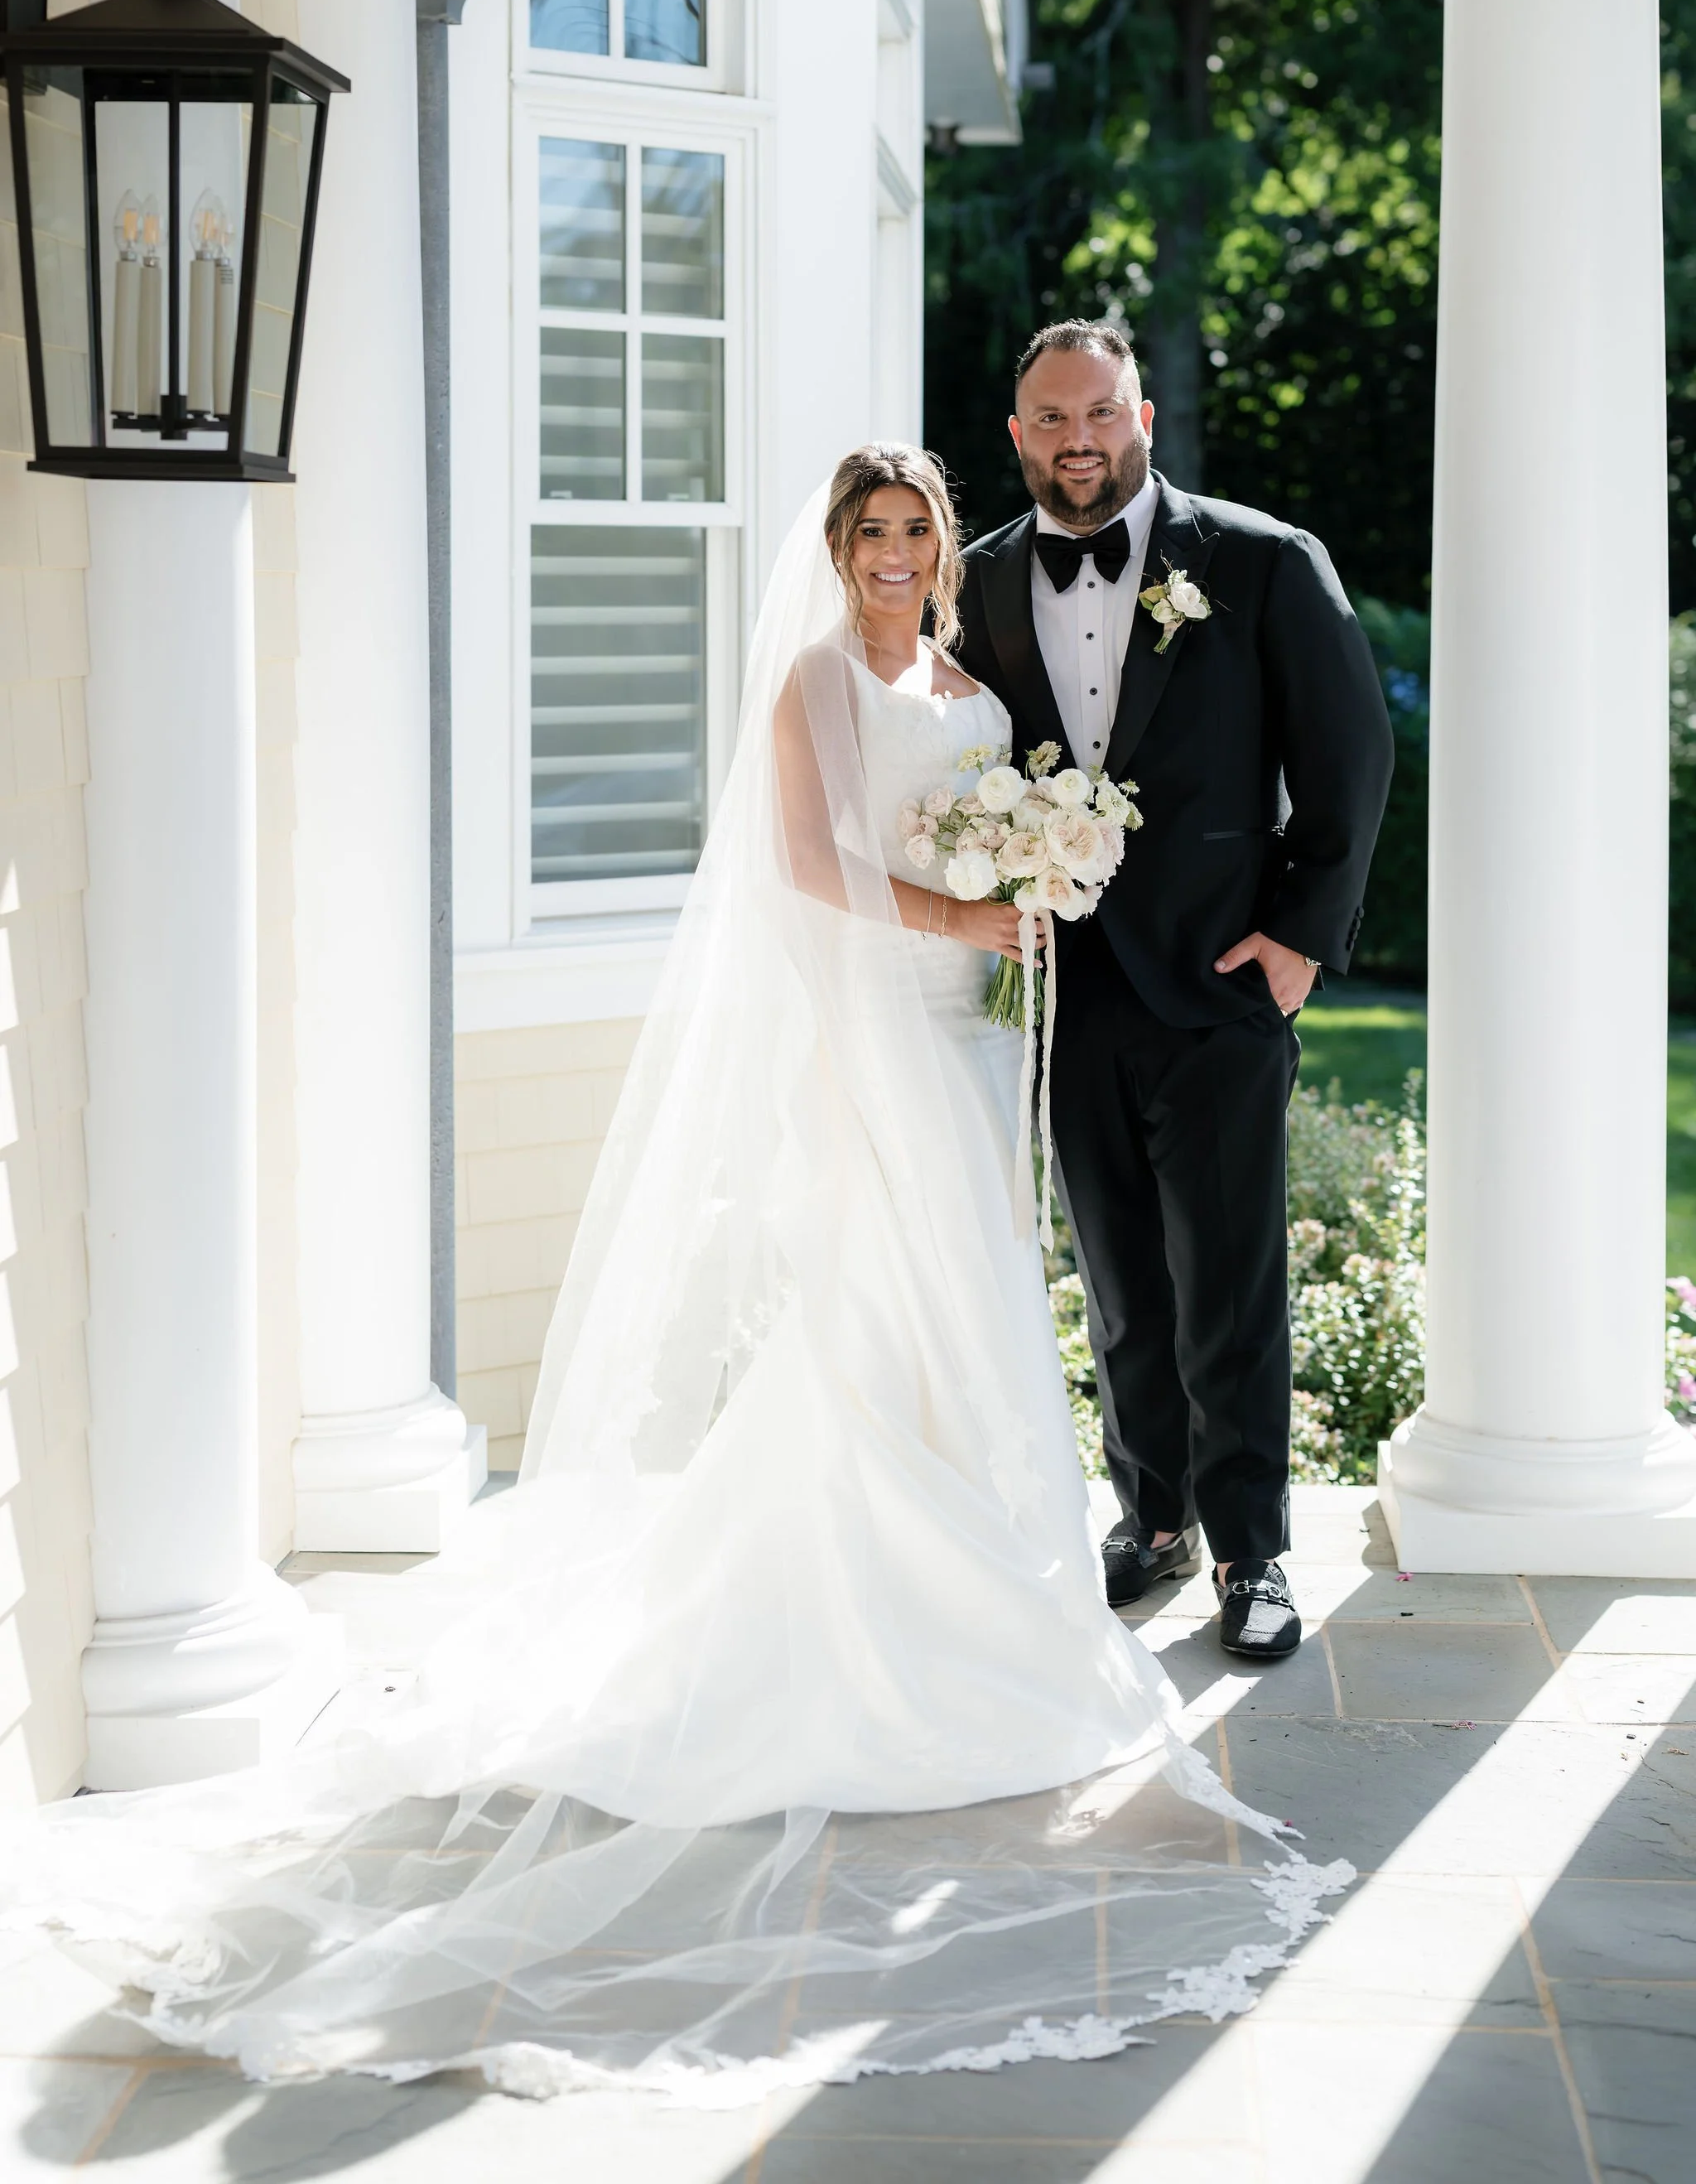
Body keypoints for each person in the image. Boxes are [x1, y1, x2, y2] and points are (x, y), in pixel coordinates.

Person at [0, 444, 1351, 2100]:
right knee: (877, 1315)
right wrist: (976, 922)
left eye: (915, 530)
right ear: (838, 547)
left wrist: (1036, 875)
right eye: (871, 532)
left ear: (944, 543)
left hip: (970, 1046)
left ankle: (989, 1608)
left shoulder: (966, 671)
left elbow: (1029, 809)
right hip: (873, 1034)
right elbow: (807, 869)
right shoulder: (809, 683)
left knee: (980, 1317)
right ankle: (854, 1634)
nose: (896, 554)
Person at [956, 322, 1395, 1661]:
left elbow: (1351, 753)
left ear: (1141, 413)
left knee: (1230, 1279)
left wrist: (1300, 941)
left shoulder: (1259, 561)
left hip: (1220, 982)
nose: (1076, 439)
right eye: (1049, 419)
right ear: (1018, 432)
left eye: (1098, 413)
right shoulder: (973, 586)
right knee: (1121, 1281)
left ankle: (1254, 1552)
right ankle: (1153, 1520)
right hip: (1064, 989)